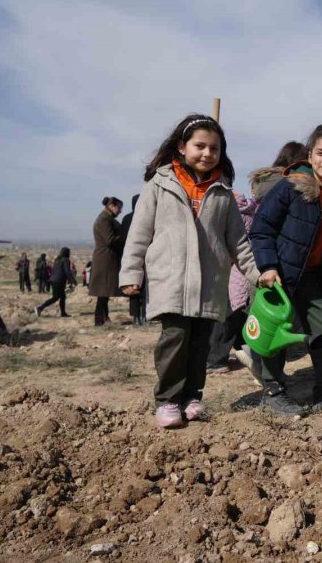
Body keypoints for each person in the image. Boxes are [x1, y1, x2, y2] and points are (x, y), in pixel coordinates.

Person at [120, 114, 260, 429]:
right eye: (200, 146)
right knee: (175, 339)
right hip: (171, 279)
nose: (207, 153)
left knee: (200, 344)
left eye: (215, 148)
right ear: (182, 147)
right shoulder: (160, 183)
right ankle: (168, 400)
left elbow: (238, 242)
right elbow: (139, 233)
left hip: (210, 283)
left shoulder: (223, 193)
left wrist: (256, 274)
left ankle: (192, 397)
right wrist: (131, 274)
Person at [249, 124, 322, 417]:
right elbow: (262, 230)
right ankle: (274, 392)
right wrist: (269, 266)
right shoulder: (289, 188)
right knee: (277, 333)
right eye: (321, 153)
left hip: (315, 278)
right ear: (310, 156)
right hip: (282, 274)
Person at [206, 192, 258, 375]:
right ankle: (238, 352)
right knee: (235, 314)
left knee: (226, 316)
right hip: (243, 270)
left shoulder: (235, 214)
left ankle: (215, 361)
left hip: (231, 270)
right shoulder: (252, 213)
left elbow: (229, 244)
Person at [89, 196, 125, 326]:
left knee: (104, 293)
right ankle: (99, 320)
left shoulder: (107, 218)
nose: (120, 211)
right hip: (105, 259)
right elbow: (110, 239)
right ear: (112, 206)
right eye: (119, 208)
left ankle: (104, 318)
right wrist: (124, 236)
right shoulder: (104, 219)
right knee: (103, 292)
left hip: (107, 259)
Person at [120, 194, 147, 326]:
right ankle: (144, 316)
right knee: (144, 287)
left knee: (133, 288)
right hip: (145, 256)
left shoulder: (126, 219)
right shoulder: (144, 217)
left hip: (130, 256)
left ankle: (136, 317)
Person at [34, 247, 76, 317]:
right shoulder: (66, 260)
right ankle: (40, 308)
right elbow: (67, 272)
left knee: (62, 297)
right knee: (55, 298)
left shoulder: (57, 260)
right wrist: (73, 280)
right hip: (59, 281)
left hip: (53, 280)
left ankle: (63, 313)